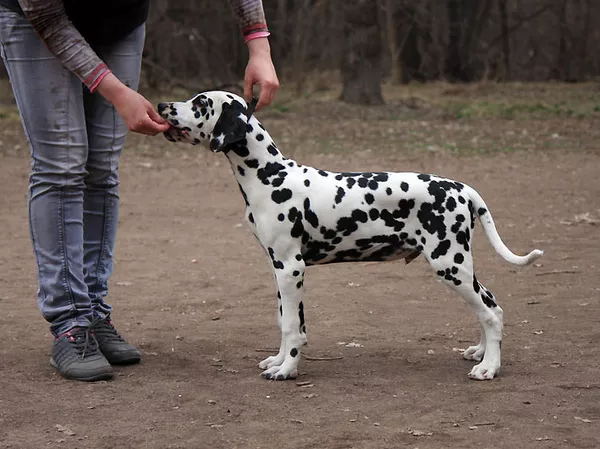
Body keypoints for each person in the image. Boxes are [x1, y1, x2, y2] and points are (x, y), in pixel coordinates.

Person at [0, 0, 279, 382]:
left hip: (119, 24)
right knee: (61, 165)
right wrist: (117, 93)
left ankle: (94, 313)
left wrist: (258, 45)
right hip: (38, 22)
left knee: (101, 168)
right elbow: (47, 15)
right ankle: (69, 321)